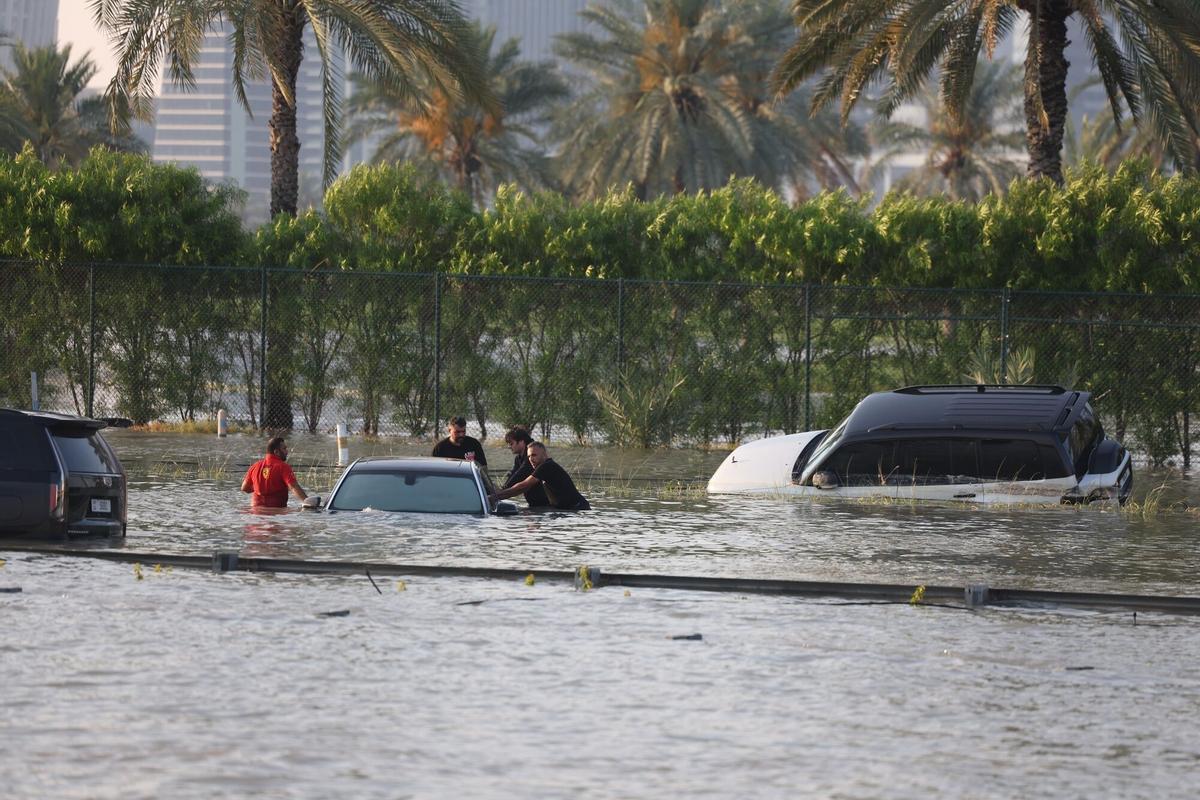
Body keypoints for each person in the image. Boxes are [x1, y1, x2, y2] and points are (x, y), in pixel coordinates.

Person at [490, 441, 589, 511]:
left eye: (534, 455)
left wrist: (493, 497)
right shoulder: (543, 466)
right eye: (528, 456)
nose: (530, 459)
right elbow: (523, 489)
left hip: (578, 509)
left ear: (544, 455)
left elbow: (523, 486)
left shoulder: (547, 466)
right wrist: (497, 496)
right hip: (568, 509)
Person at [241, 436, 308, 508]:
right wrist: (308, 501)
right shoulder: (283, 466)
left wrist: (260, 488)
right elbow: (293, 487)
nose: (287, 451)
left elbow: (244, 488)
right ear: (276, 452)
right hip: (276, 513)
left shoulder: (255, 466)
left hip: (255, 513)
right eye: (284, 449)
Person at [502, 427, 549, 507]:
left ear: (521, 442)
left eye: (511, 443)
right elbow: (514, 474)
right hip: (534, 503)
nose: (509, 447)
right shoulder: (518, 458)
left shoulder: (532, 457)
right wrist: (503, 489)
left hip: (547, 503)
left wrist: (500, 493)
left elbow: (521, 474)